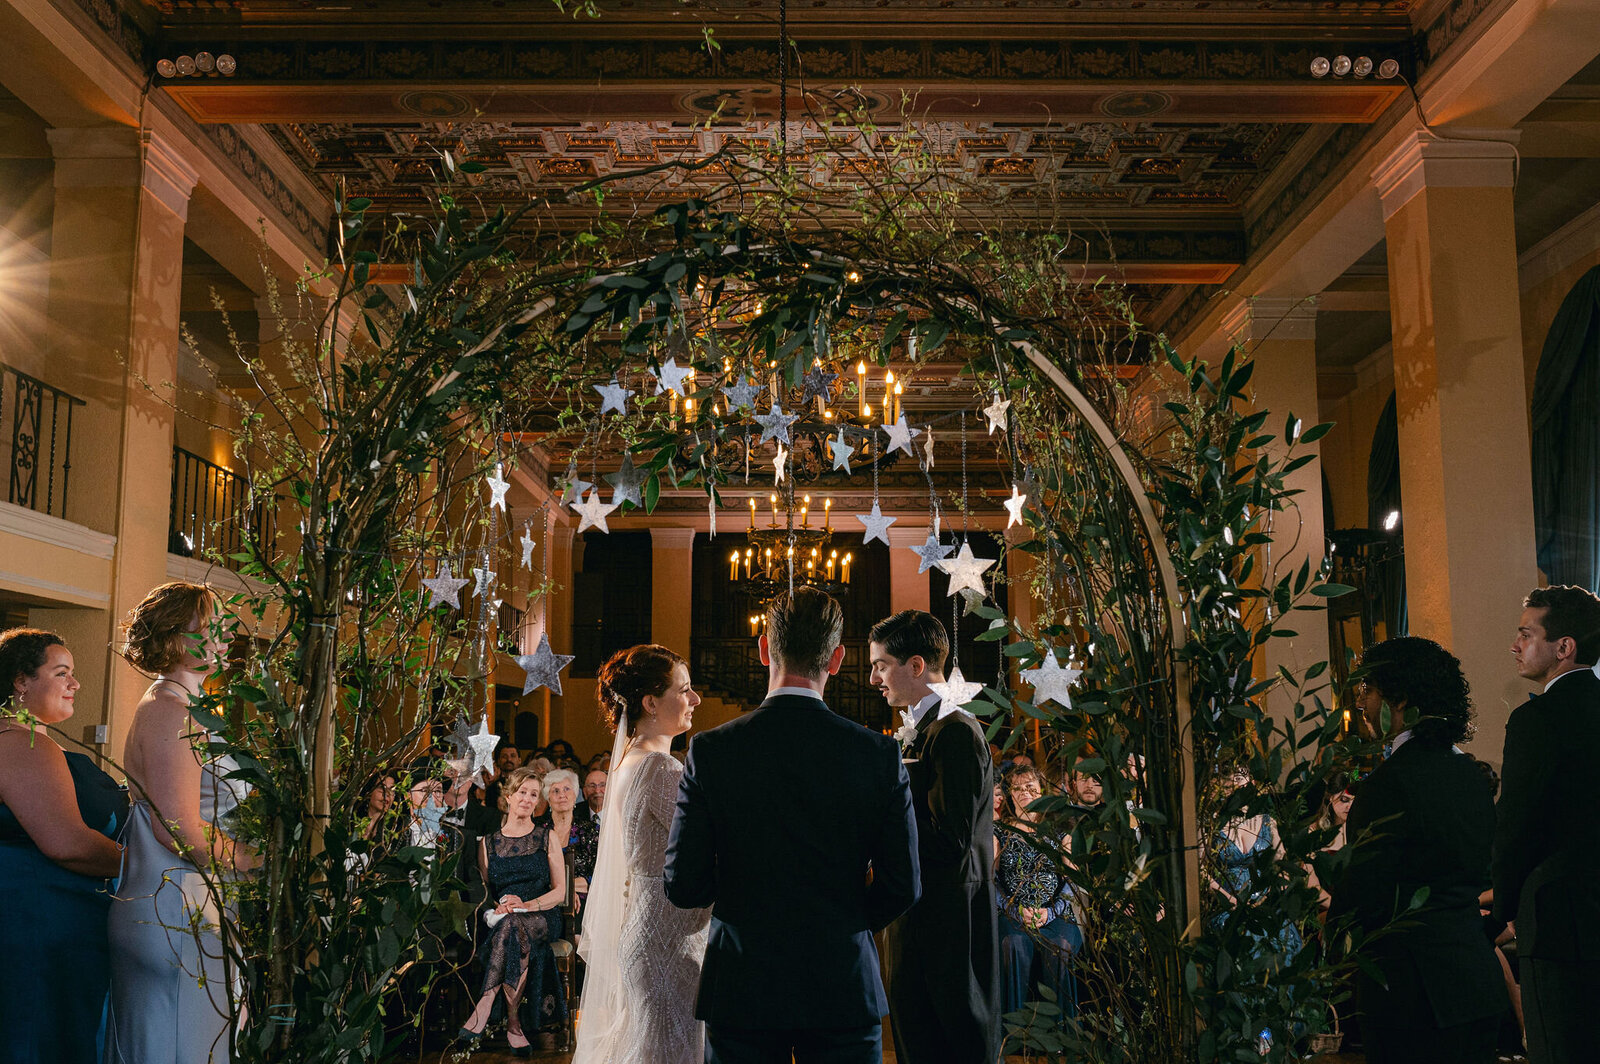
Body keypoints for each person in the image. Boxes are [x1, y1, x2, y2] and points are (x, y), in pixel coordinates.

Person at [664, 588, 920, 1064]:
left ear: (764, 648)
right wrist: (843, 917)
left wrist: (746, 891)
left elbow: (684, 884)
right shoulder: (878, 755)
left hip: (743, 981)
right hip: (842, 981)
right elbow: (903, 884)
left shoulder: (712, 750)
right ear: (838, 658)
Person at [1330, 637, 1507, 1064]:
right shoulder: (1472, 777)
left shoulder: (1387, 786)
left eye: (1368, 690)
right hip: (1475, 980)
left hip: (1409, 990)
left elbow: (1364, 891)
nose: (1365, 704)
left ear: (1400, 697)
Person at [108, 581, 257, 1064]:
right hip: (176, 903)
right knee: (182, 1045)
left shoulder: (186, 708)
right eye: (209, 625)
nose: (221, 635)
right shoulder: (170, 713)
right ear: (174, 636)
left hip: (195, 900)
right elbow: (180, 830)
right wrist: (258, 862)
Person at [869, 609, 1000, 1064]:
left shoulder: (956, 733)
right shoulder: (925, 730)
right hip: (924, 918)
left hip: (949, 929)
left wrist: (877, 824)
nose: (873, 678)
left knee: (947, 1045)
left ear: (917, 665)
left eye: (881, 665)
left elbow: (950, 841)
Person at [573, 644, 711, 1064]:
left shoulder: (629, 762)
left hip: (650, 931)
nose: (695, 699)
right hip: (667, 940)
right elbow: (705, 848)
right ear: (650, 702)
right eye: (684, 690)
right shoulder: (660, 769)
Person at [0, 629, 127, 1064]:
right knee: (41, 1038)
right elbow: (66, 843)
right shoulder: (21, 742)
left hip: (49, 920)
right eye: (62, 673)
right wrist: (151, 866)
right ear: (21, 681)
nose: (75, 684)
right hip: (42, 925)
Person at [1494, 585, 1600, 1064]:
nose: (1515, 646)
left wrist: (1502, 909)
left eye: (1525, 634)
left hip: (1560, 918)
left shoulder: (1538, 720)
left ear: (1564, 647)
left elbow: (1517, 825)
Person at [457, 766, 567, 1055]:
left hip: (543, 915)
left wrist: (526, 905)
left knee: (515, 926)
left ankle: (486, 1000)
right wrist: (502, 907)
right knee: (511, 928)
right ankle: (514, 1023)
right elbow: (486, 893)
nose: (528, 799)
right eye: (522, 792)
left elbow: (560, 892)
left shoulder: (546, 836)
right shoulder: (489, 843)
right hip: (506, 919)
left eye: (534, 794)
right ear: (507, 796)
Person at [994, 763, 1081, 1021]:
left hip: (1056, 914)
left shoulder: (1060, 829)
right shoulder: (999, 831)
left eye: (1030, 787)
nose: (1025, 793)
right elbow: (992, 881)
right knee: (1014, 944)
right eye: (1018, 788)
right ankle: (1015, 1031)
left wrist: (1050, 912)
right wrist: (1015, 910)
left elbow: (1072, 881)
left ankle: (1061, 1036)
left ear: (1041, 791)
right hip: (1012, 913)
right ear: (1010, 795)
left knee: (1060, 946)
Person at [537, 767, 598, 913]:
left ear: (575, 794)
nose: (562, 795)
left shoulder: (591, 831)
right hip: (543, 901)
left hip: (584, 904)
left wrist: (562, 889)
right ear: (548, 798)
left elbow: (596, 877)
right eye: (555, 791)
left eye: (566, 789)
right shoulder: (537, 830)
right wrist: (565, 892)